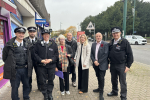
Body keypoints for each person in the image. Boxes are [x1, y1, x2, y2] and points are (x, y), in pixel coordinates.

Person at [2, 27, 32, 100]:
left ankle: (26, 97)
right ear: (15, 34)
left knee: (26, 85)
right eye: (19, 33)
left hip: (25, 69)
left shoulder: (27, 44)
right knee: (15, 86)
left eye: (22, 33)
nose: (21, 35)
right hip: (15, 70)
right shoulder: (9, 45)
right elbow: (5, 58)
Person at [107, 27, 134, 100]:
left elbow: (130, 55)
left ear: (120, 33)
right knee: (113, 79)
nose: (115, 34)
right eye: (114, 33)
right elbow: (108, 54)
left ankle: (123, 96)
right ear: (112, 34)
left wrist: (128, 66)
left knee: (122, 82)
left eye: (117, 33)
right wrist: (108, 63)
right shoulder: (111, 42)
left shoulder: (124, 41)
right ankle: (114, 91)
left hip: (121, 65)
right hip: (113, 65)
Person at [34, 29, 58, 100]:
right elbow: (34, 54)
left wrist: (51, 60)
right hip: (41, 66)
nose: (46, 36)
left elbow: (56, 55)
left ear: (49, 35)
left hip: (51, 66)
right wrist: (41, 60)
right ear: (42, 35)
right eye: (44, 34)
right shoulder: (38, 44)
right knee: (42, 81)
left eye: (47, 34)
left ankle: (49, 93)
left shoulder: (53, 44)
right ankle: (45, 95)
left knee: (51, 80)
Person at [91, 32, 109, 100]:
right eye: (97, 36)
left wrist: (98, 62)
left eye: (99, 36)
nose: (98, 37)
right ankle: (99, 88)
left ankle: (101, 93)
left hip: (102, 64)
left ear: (102, 37)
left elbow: (106, 54)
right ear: (95, 37)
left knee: (101, 78)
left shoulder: (105, 44)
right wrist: (94, 61)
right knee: (98, 76)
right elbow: (91, 54)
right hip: (95, 64)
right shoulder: (93, 44)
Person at [24, 26, 41, 92]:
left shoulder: (39, 40)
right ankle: (28, 88)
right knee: (28, 75)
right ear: (28, 32)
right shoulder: (24, 40)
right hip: (28, 61)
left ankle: (40, 87)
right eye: (31, 32)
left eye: (33, 32)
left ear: (36, 32)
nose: (32, 33)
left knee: (39, 74)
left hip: (37, 61)